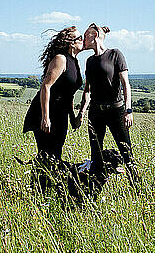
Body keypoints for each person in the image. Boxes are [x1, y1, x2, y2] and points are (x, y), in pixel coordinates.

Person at [75, 23, 141, 194]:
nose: (83, 40)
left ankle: (138, 191)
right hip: (96, 113)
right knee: (96, 154)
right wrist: (81, 113)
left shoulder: (115, 54)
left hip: (116, 111)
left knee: (126, 151)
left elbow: (126, 84)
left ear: (94, 35)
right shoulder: (89, 61)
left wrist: (128, 110)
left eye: (85, 36)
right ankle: (93, 192)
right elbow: (87, 90)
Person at [23, 26, 84, 193]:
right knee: (47, 153)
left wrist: (73, 117)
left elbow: (69, 94)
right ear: (71, 43)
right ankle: (38, 191)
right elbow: (46, 86)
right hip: (47, 112)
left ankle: (45, 189)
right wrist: (45, 116)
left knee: (55, 153)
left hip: (61, 113)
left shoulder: (74, 61)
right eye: (79, 38)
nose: (82, 40)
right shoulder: (60, 59)